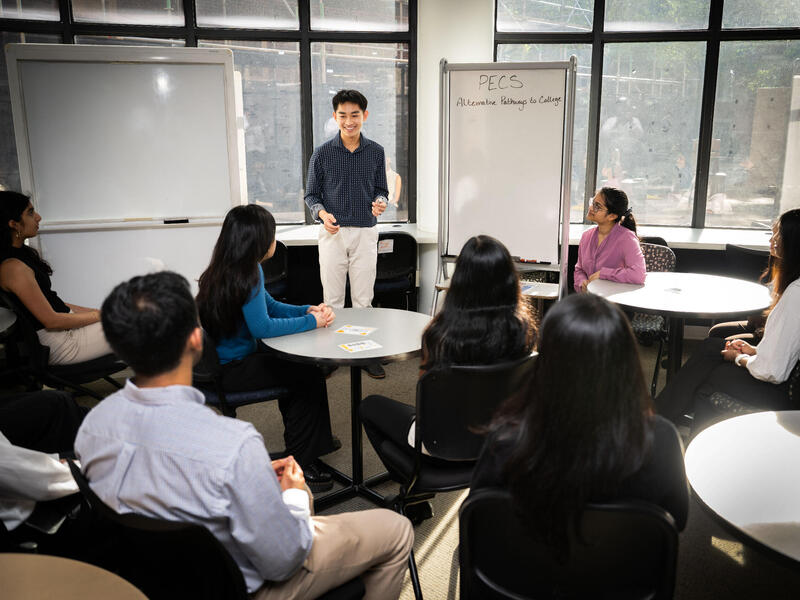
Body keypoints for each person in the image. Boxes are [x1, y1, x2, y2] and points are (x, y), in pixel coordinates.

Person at [75, 271, 414, 599]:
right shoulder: (234, 445)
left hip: (151, 579)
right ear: (196, 338)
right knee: (396, 531)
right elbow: (284, 561)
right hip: (241, 586)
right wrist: (296, 497)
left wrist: (248, 476)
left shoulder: (93, 426)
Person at [471, 294, 689, 553]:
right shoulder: (662, 440)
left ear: (546, 361)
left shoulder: (505, 439)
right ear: (626, 362)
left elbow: (479, 515)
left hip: (524, 579)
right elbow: (678, 519)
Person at [196, 204, 338, 492]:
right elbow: (263, 328)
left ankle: (314, 441)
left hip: (216, 365)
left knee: (299, 367)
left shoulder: (227, 269)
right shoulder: (247, 274)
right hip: (230, 370)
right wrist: (312, 322)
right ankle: (303, 461)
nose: (274, 240)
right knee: (306, 375)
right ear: (259, 241)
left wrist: (305, 310)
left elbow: (269, 306)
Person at [360, 235, 537, 464]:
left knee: (370, 406)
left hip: (440, 442)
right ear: (509, 280)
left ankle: (414, 490)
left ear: (460, 280)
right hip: (499, 438)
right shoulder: (523, 331)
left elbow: (425, 397)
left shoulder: (438, 335)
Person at [655, 209, 800, 429]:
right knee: (712, 348)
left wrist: (738, 358)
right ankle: (657, 422)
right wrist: (754, 351)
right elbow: (788, 348)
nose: (772, 240)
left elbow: (772, 371)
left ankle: (654, 424)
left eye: (777, 235)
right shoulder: (794, 287)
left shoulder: (795, 294)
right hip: (785, 378)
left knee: (710, 375)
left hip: (784, 394)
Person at [304, 89, 389, 378]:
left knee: (364, 299)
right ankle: (332, 353)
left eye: (355, 115)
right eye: (343, 115)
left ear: (364, 116)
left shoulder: (376, 152)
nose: (349, 121)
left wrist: (381, 203)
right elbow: (311, 195)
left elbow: (382, 190)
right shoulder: (322, 153)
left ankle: (364, 353)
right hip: (333, 233)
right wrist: (322, 214)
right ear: (335, 116)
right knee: (333, 299)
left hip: (366, 232)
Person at [0, 191, 113, 365]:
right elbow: (51, 320)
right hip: (61, 343)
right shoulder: (13, 267)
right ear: (13, 224)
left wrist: (97, 312)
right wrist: (100, 315)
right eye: (30, 213)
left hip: (66, 331)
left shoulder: (21, 255)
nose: (38, 217)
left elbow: (53, 302)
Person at [574, 187, 645, 293]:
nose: (591, 208)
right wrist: (582, 283)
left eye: (597, 206)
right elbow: (579, 269)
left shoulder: (627, 239)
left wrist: (604, 274)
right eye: (593, 203)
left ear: (612, 216)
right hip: (589, 301)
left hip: (614, 302)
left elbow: (638, 275)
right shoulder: (586, 236)